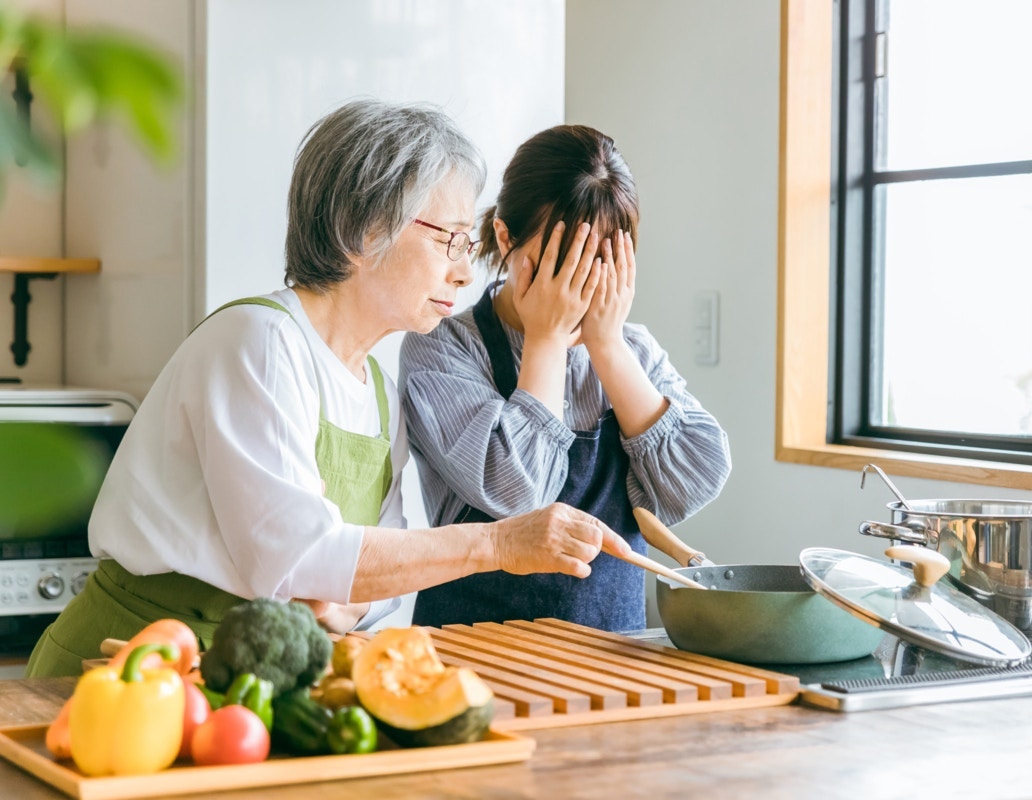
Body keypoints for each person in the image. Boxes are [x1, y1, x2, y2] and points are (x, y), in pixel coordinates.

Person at [25, 100, 628, 678]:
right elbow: (297, 559)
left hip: (250, 676)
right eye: (448, 239)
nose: (465, 270)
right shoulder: (259, 340)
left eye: (467, 245)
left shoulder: (379, 392)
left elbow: (372, 575)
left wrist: (343, 598)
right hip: (124, 666)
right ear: (361, 232)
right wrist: (499, 542)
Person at [398, 124, 731, 632]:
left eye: (598, 261)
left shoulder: (631, 349)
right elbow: (517, 494)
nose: (579, 284)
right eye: (561, 260)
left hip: (612, 661)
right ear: (506, 236)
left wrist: (608, 347)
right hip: (471, 658)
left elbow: (694, 483)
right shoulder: (441, 346)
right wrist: (547, 340)